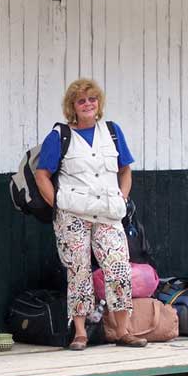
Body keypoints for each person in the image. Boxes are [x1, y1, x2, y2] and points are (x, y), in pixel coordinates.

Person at [35, 78, 147, 351]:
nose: (88, 104)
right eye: (81, 100)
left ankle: (123, 330)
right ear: (72, 106)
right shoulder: (59, 136)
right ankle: (80, 333)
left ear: (99, 102)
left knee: (119, 268)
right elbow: (42, 174)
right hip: (73, 214)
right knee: (79, 272)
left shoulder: (112, 132)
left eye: (92, 99)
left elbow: (125, 168)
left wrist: (123, 195)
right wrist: (58, 204)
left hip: (108, 212)